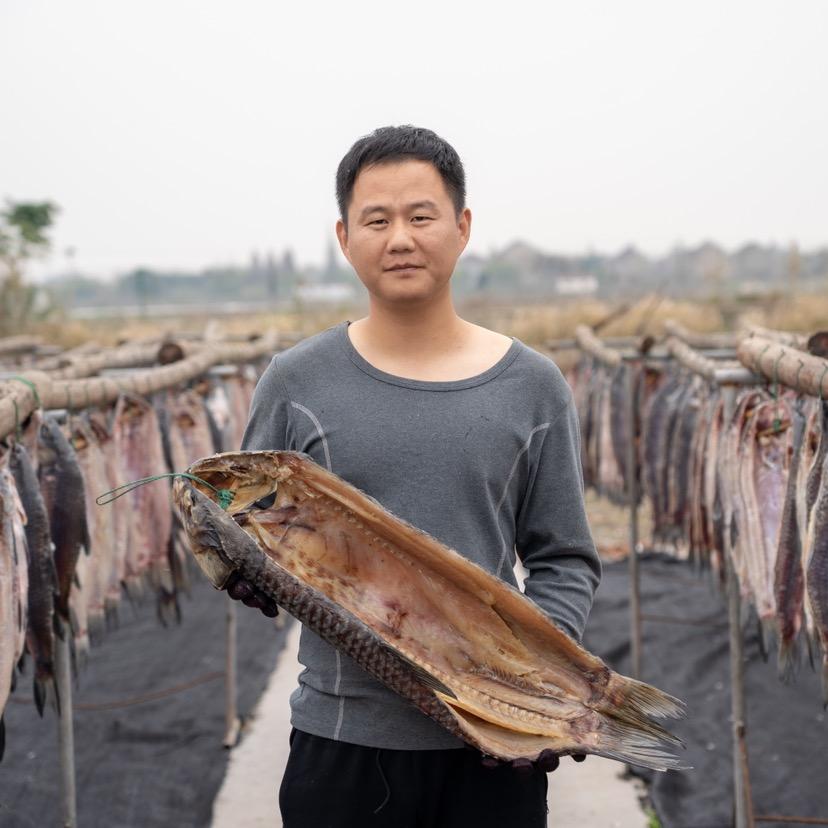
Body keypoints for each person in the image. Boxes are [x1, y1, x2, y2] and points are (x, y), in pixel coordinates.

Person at [230, 125, 601, 828]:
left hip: (494, 754)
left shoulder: (531, 385)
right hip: (340, 744)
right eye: (377, 219)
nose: (400, 237)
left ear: (461, 228)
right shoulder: (296, 381)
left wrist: (525, 689)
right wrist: (235, 567)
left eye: (421, 215)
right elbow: (244, 527)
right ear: (345, 238)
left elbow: (563, 556)